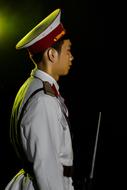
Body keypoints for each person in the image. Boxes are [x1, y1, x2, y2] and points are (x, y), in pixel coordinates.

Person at [5, 8, 74, 190]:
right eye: (68, 50)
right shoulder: (44, 100)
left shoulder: (31, 87)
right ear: (52, 54)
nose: (71, 57)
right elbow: (48, 171)